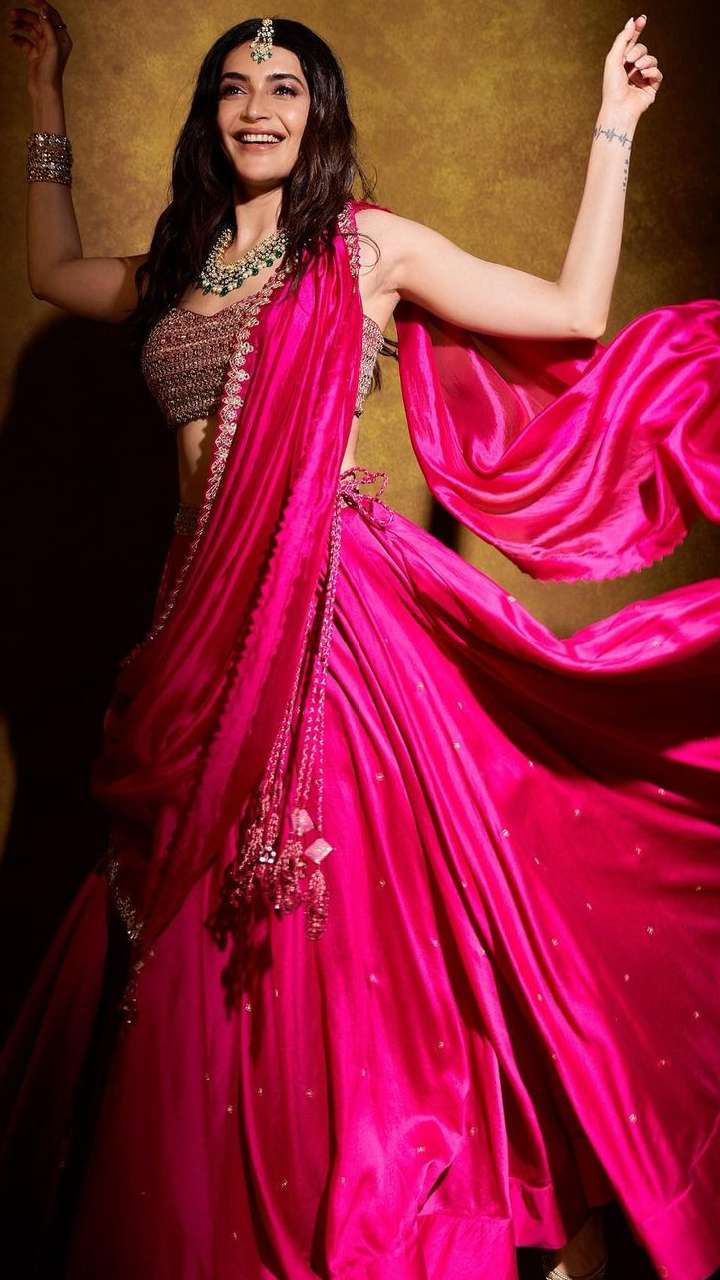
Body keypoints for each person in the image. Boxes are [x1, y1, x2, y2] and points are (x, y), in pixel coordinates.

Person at [2, 7, 719, 1280]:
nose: (257, 106)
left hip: (332, 611)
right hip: (192, 630)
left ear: (318, 109)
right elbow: (55, 271)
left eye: (283, 85)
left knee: (330, 919)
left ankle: (377, 1191)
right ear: (209, 115)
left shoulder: (365, 247)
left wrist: (616, 122)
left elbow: (572, 312)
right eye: (234, 87)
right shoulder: (182, 263)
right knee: (195, 933)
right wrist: (43, 94)